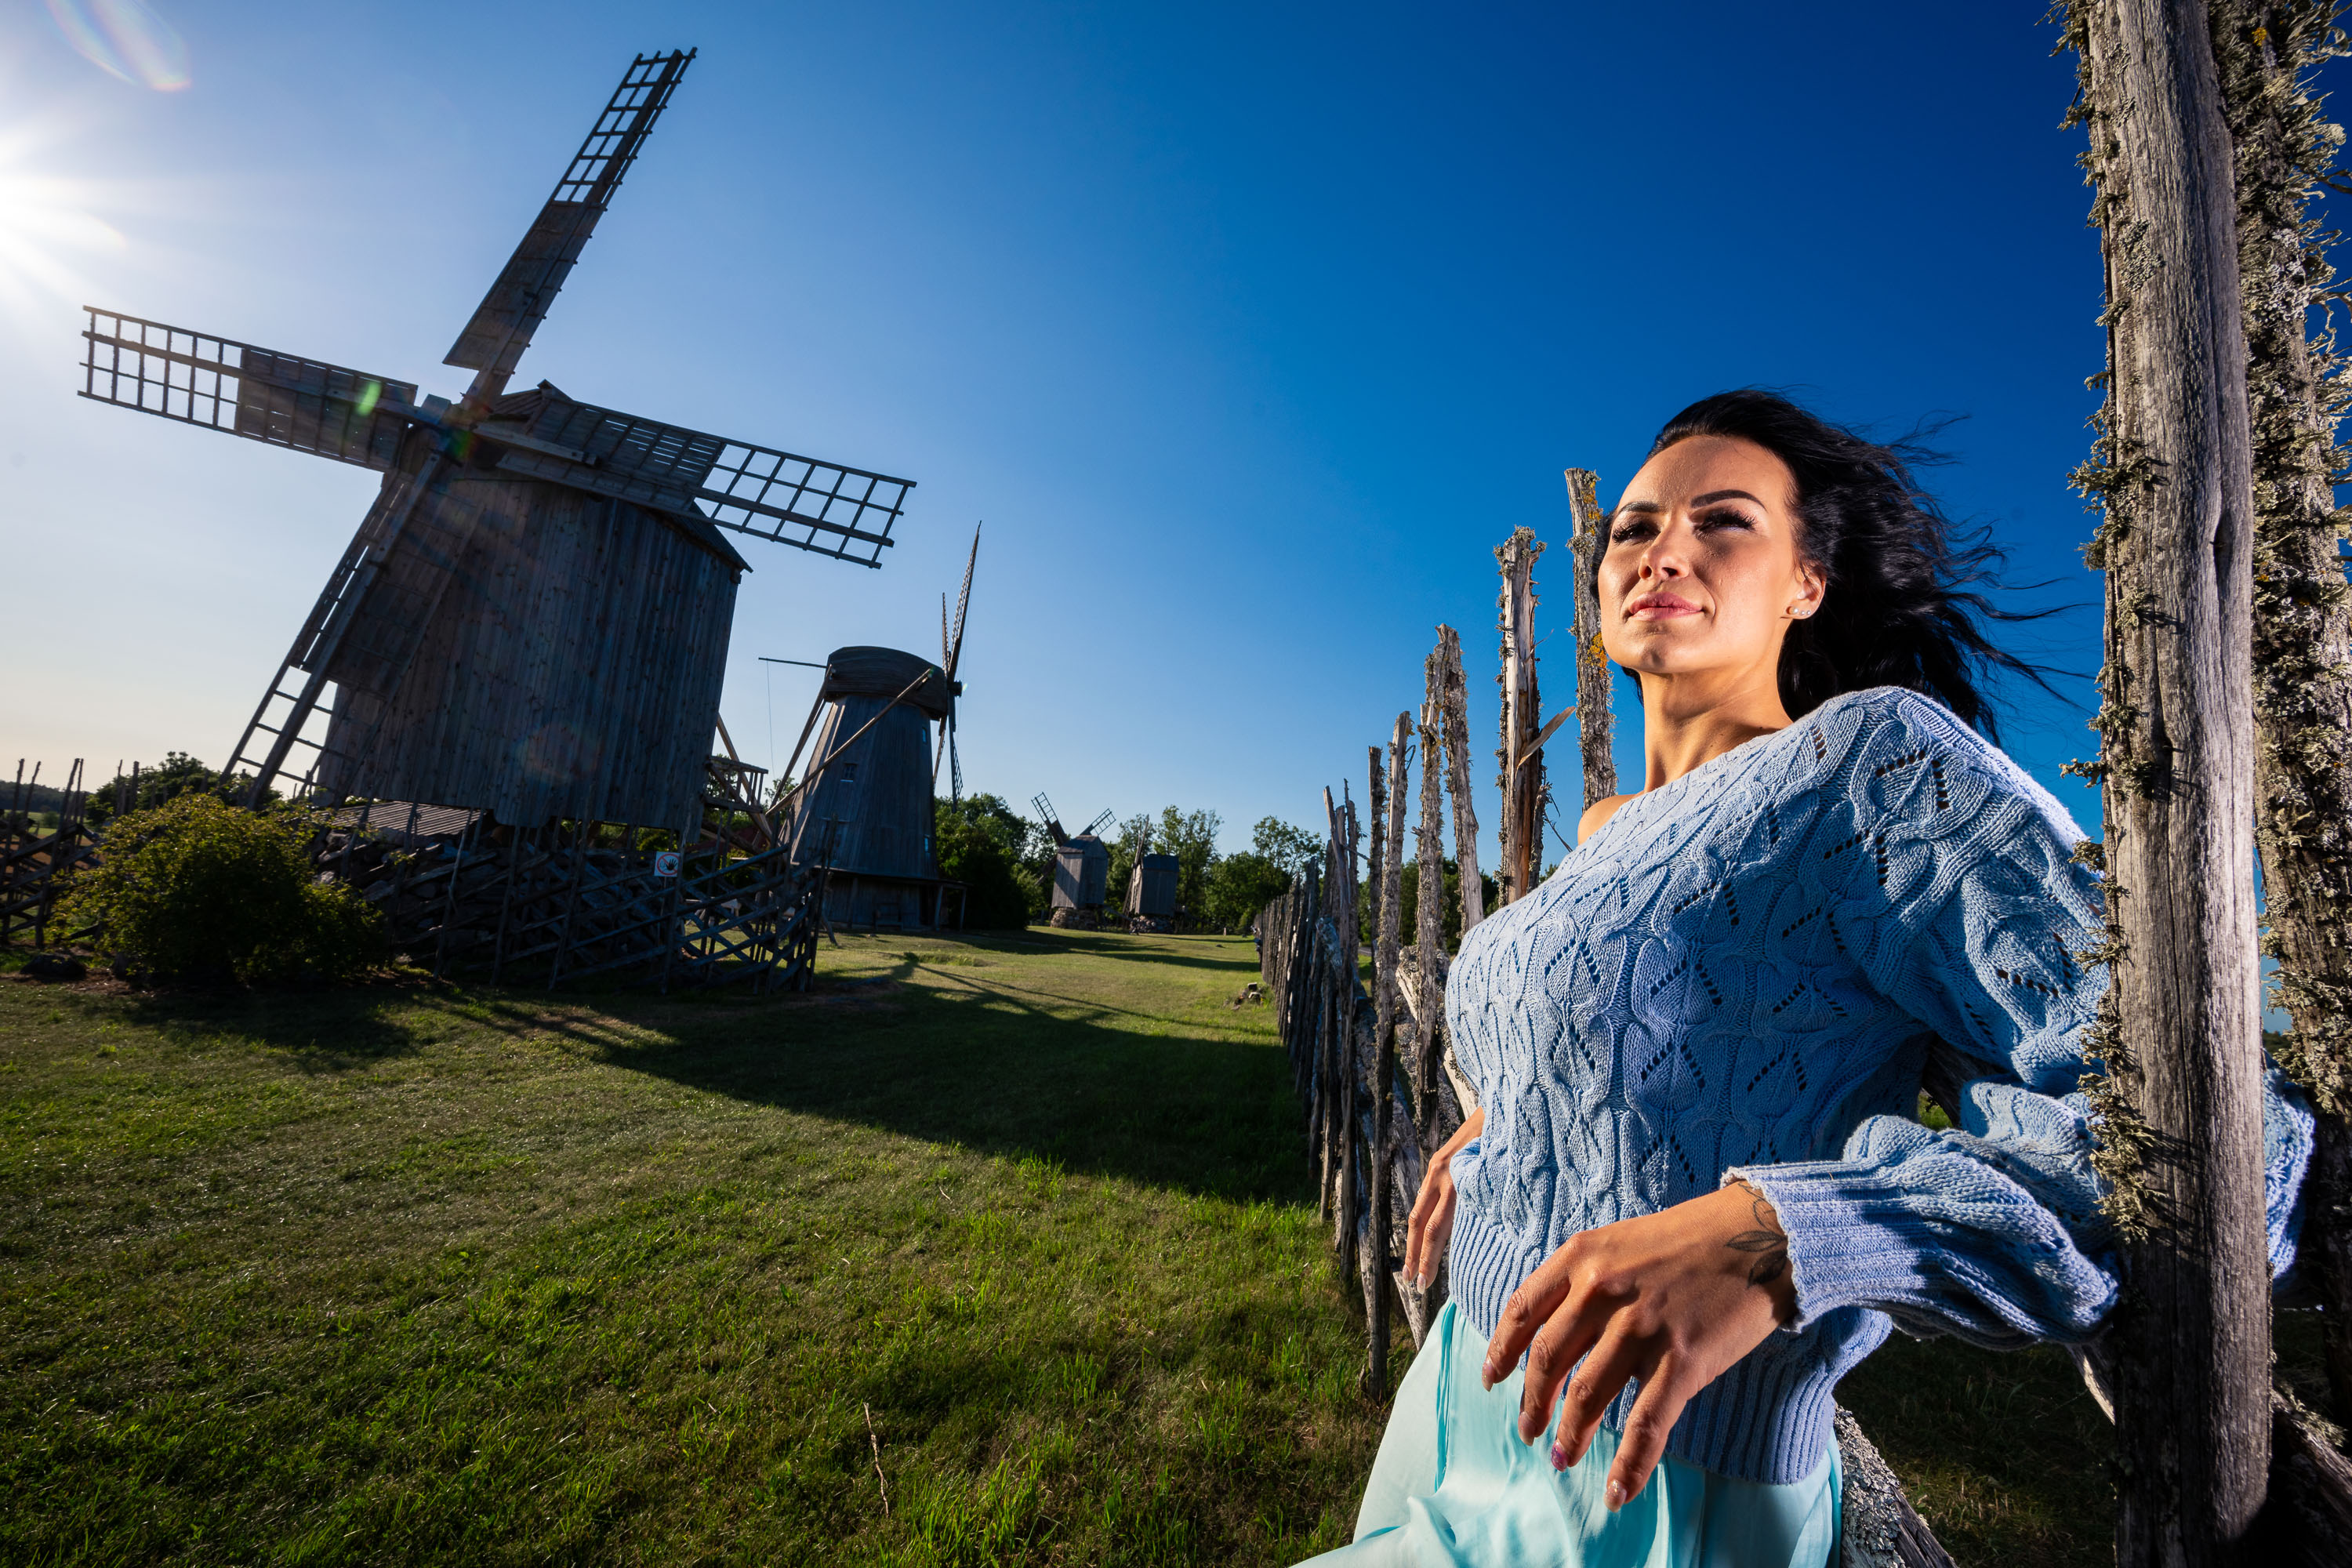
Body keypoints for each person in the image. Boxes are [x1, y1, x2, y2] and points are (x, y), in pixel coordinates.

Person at [1301, 391, 2315, 1568]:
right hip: (1458, 1393)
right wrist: (1513, 1106)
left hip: (1654, 1484)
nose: (1662, 549)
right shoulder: (1604, 826)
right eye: (1632, 529)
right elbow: (1664, 1036)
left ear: (1807, 583)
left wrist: (1788, 1235)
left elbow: (2219, 1129)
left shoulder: (1872, 766)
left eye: (1723, 522)